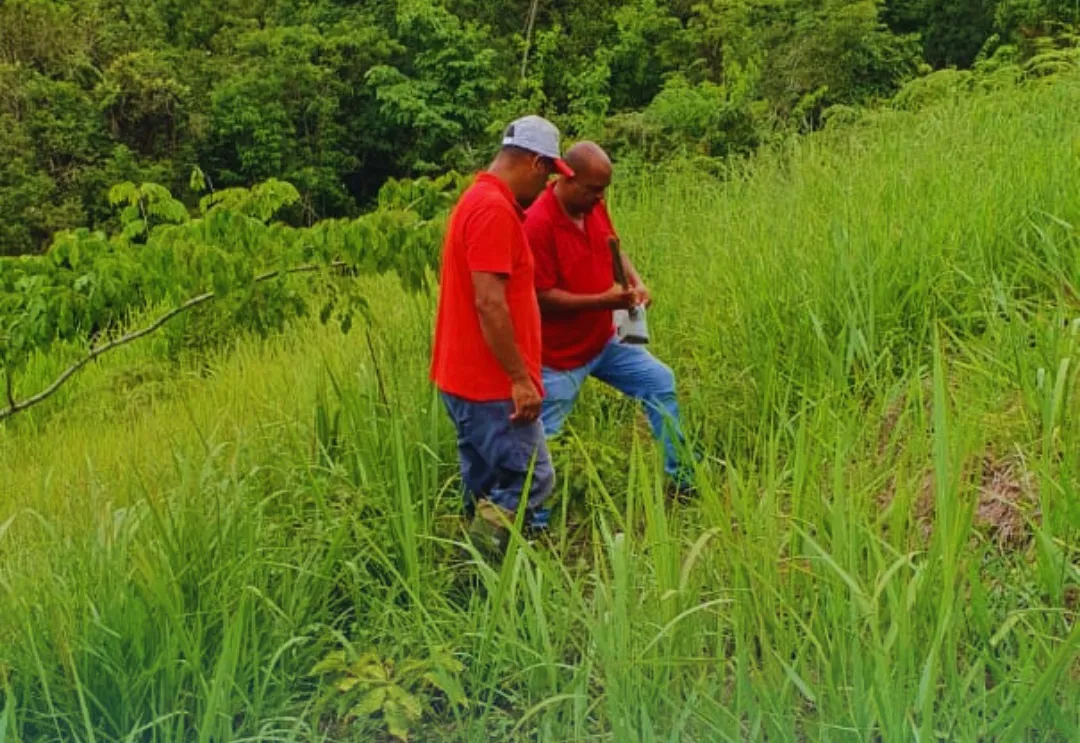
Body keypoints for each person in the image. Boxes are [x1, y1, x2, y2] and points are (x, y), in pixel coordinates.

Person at [430, 115, 575, 551]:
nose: (548, 185)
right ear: (533, 163)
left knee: (485, 479)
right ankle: (478, 567)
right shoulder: (493, 210)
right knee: (530, 478)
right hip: (490, 384)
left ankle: (481, 567)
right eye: (548, 172)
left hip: (464, 378)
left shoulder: (477, 200)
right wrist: (518, 378)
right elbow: (489, 301)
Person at [523, 141, 694, 492]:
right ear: (567, 178)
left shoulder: (592, 206)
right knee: (544, 439)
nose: (600, 199)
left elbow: (612, 243)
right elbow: (539, 298)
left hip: (606, 339)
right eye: (593, 190)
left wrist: (636, 281)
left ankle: (683, 480)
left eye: (604, 191)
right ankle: (535, 521)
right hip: (558, 356)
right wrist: (602, 301)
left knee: (660, 382)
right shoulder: (537, 224)